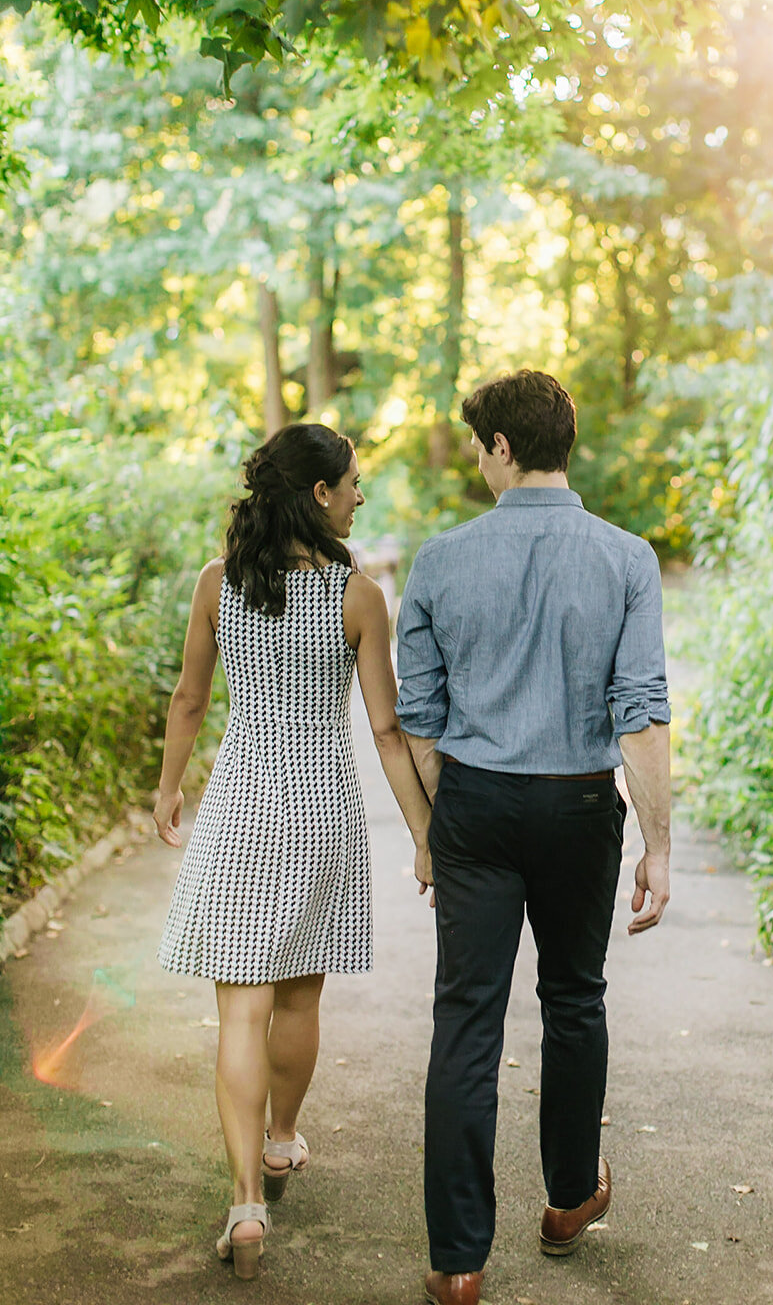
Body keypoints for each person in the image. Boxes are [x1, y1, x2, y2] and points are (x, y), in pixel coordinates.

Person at [396, 369, 672, 1305]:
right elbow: (639, 714)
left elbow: (418, 719)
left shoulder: (438, 562)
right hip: (579, 805)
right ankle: (564, 1202)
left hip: (474, 800)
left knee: (466, 1020)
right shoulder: (627, 559)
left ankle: (459, 1261)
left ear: (504, 447)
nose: (477, 462)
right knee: (573, 998)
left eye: (479, 446)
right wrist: (659, 847)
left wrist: (446, 820)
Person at [153, 422, 433, 1280]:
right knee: (299, 999)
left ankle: (243, 1204)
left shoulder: (218, 582)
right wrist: (427, 837)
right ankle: (279, 1143)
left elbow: (192, 701)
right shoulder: (358, 593)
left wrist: (168, 791)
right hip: (318, 812)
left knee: (239, 1010)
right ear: (318, 494)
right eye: (352, 483)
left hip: (238, 807)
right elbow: (387, 732)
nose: (359, 496)